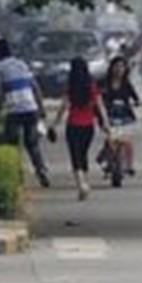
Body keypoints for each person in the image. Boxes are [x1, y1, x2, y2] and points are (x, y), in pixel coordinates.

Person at [0, 38, 51, 187]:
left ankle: (15, 173)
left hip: (14, 109)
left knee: (10, 142)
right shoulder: (22, 64)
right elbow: (35, 87)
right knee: (32, 143)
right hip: (30, 107)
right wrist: (41, 108)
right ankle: (40, 169)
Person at [51, 57, 109, 200]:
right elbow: (100, 106)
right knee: (83, 154)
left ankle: (81, 184)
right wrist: (106, 123)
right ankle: (84, 182)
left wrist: (55, 124)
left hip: (73, 126)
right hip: (88, 127)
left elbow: (63, 107)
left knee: (75, 155)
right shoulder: (92, 86)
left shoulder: (70, 87)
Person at [96, 55, 142, 176]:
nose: (119, 69)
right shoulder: (103, 83)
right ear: (111, 68)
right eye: (116, 66)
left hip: (125, 116)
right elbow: (96, 97)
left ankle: (129, 165)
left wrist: (137, 101)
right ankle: (105, 155)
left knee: (126, 140)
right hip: (109, 116)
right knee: (111, 139)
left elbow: (135, 97)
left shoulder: (126, 84)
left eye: (122, 67)